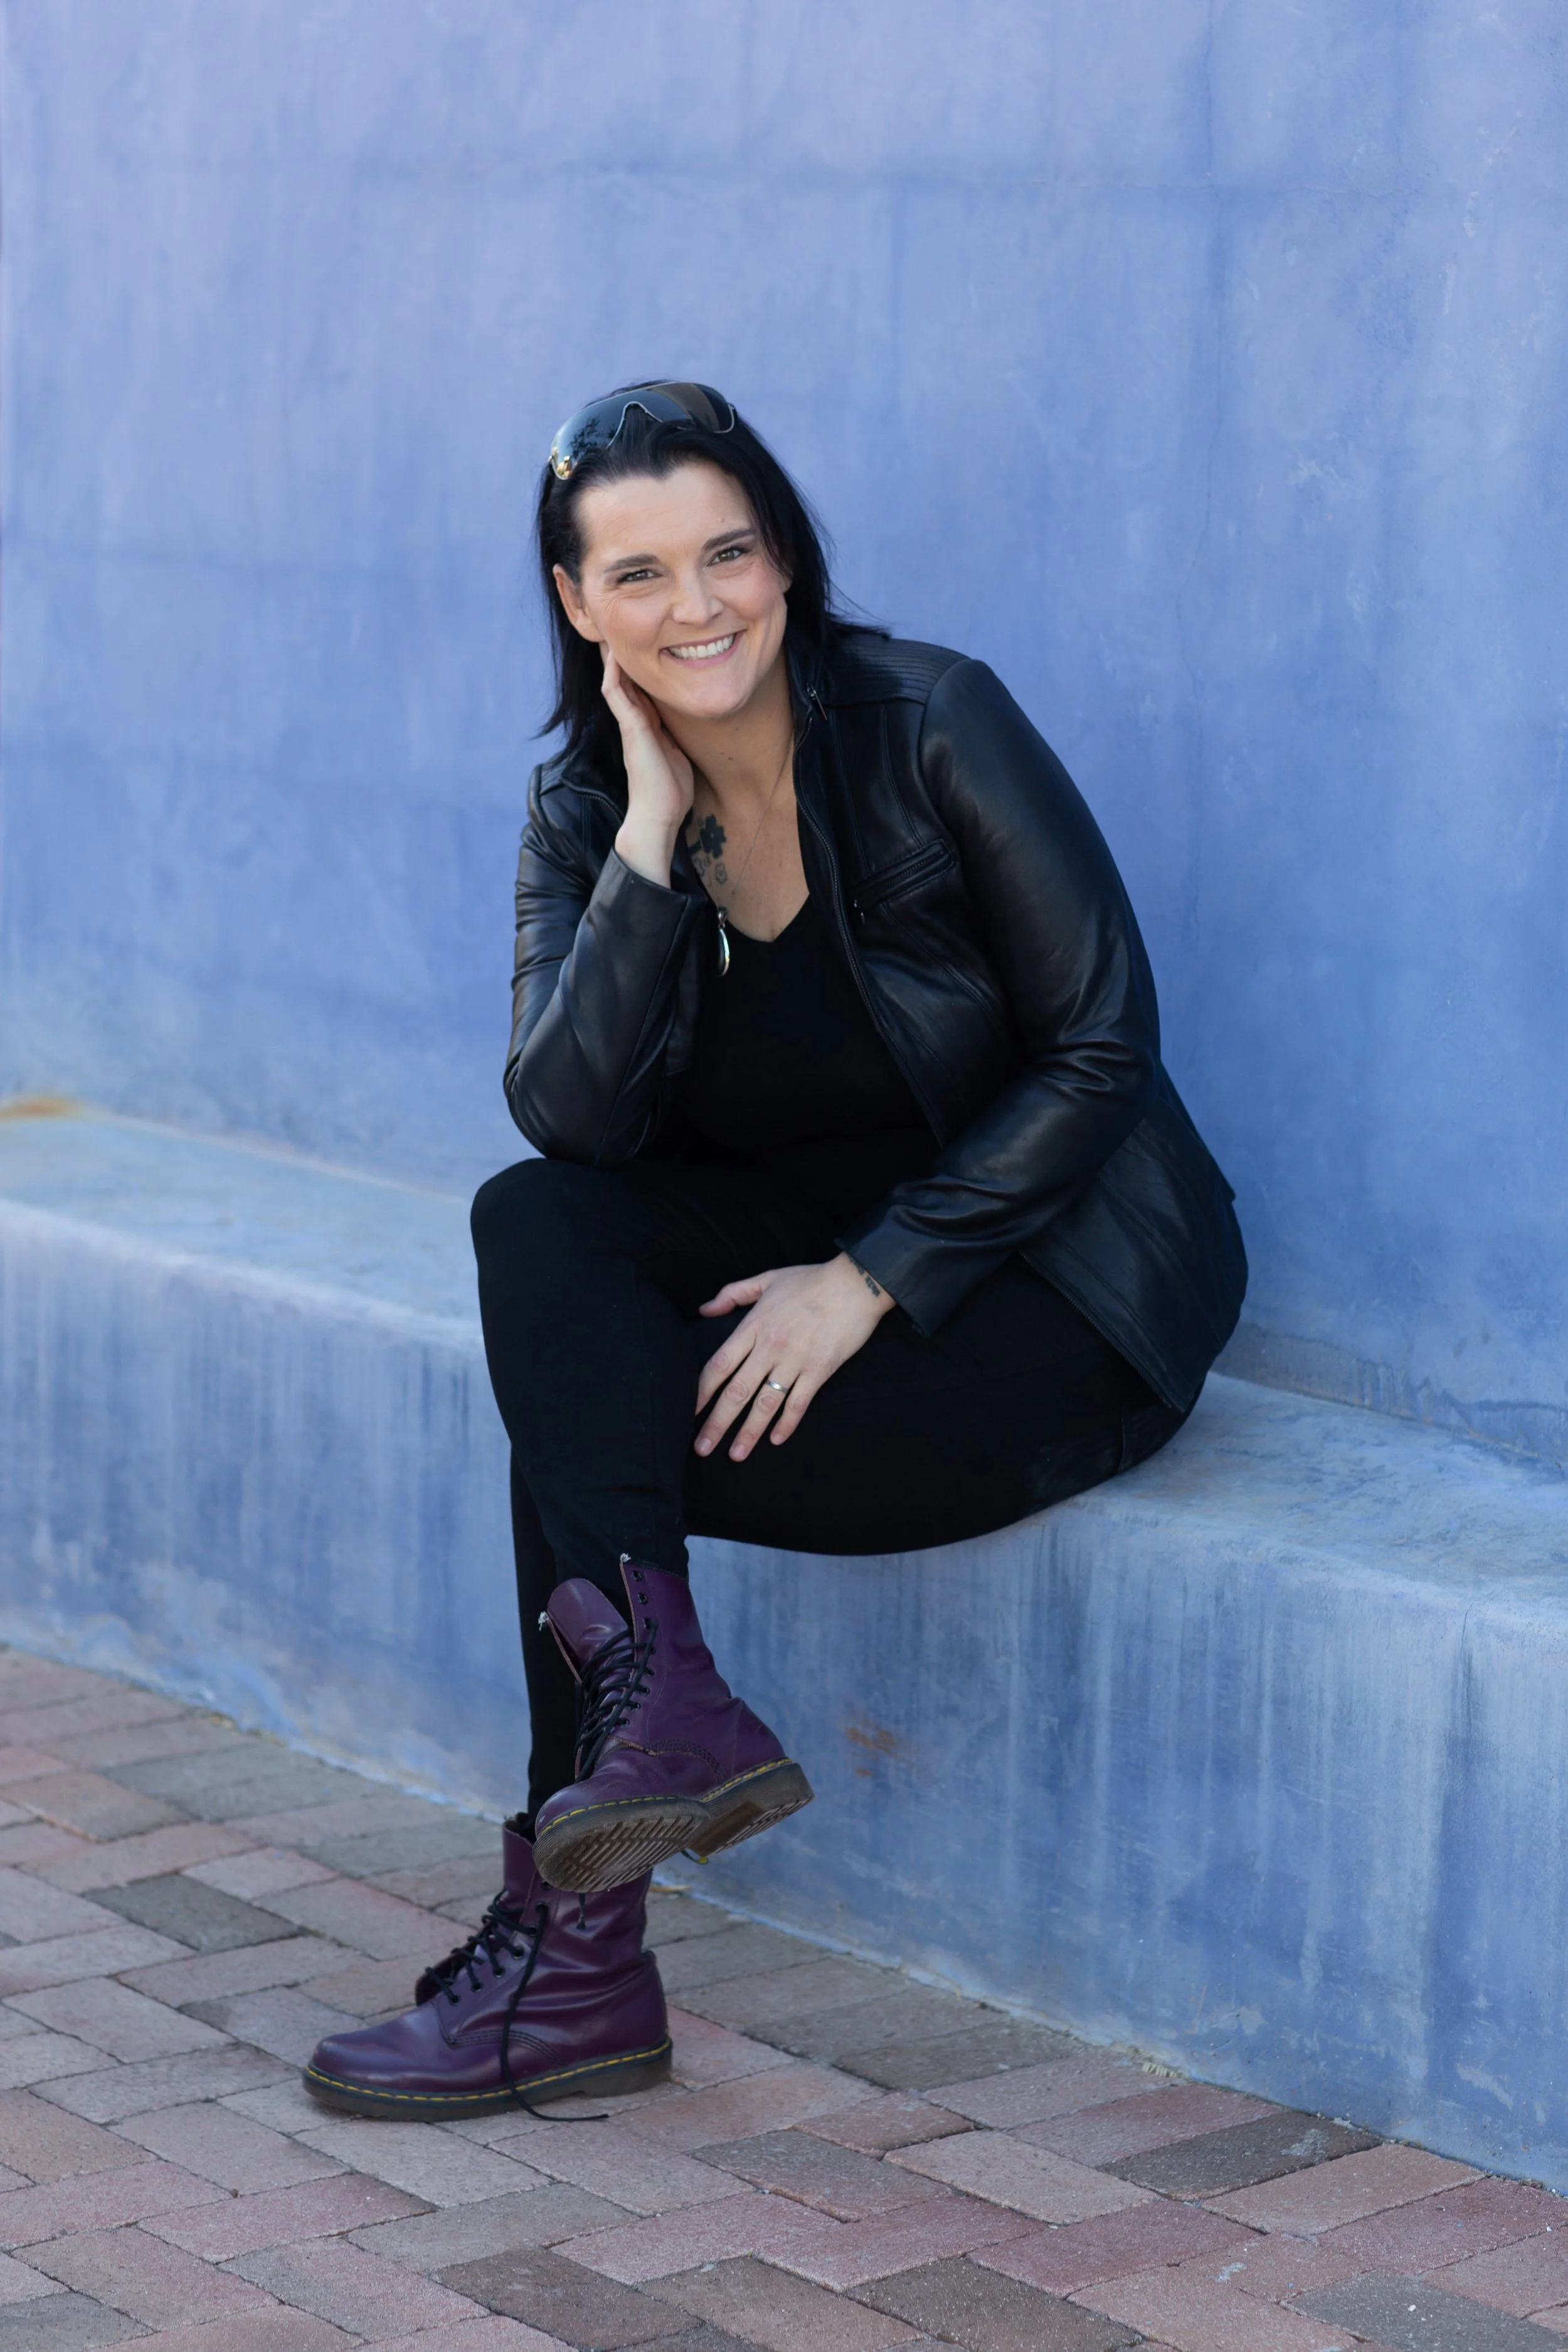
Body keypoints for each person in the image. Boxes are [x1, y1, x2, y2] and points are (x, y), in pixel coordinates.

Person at [304, 381, 1247, 2120]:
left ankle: (573, 1960)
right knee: (538, 1248)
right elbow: (565, 1128)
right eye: (640, 572)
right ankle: (659, 1711)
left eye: (728, 552)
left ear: (785, 561)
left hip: (1056, 1294)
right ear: (579, 605)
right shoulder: (589, 818)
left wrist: (869, 1276)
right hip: (803, 1267)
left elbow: (1100, 1043)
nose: (699, 604)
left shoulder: (928, 721)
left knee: (569, 1450)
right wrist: (656, 837)